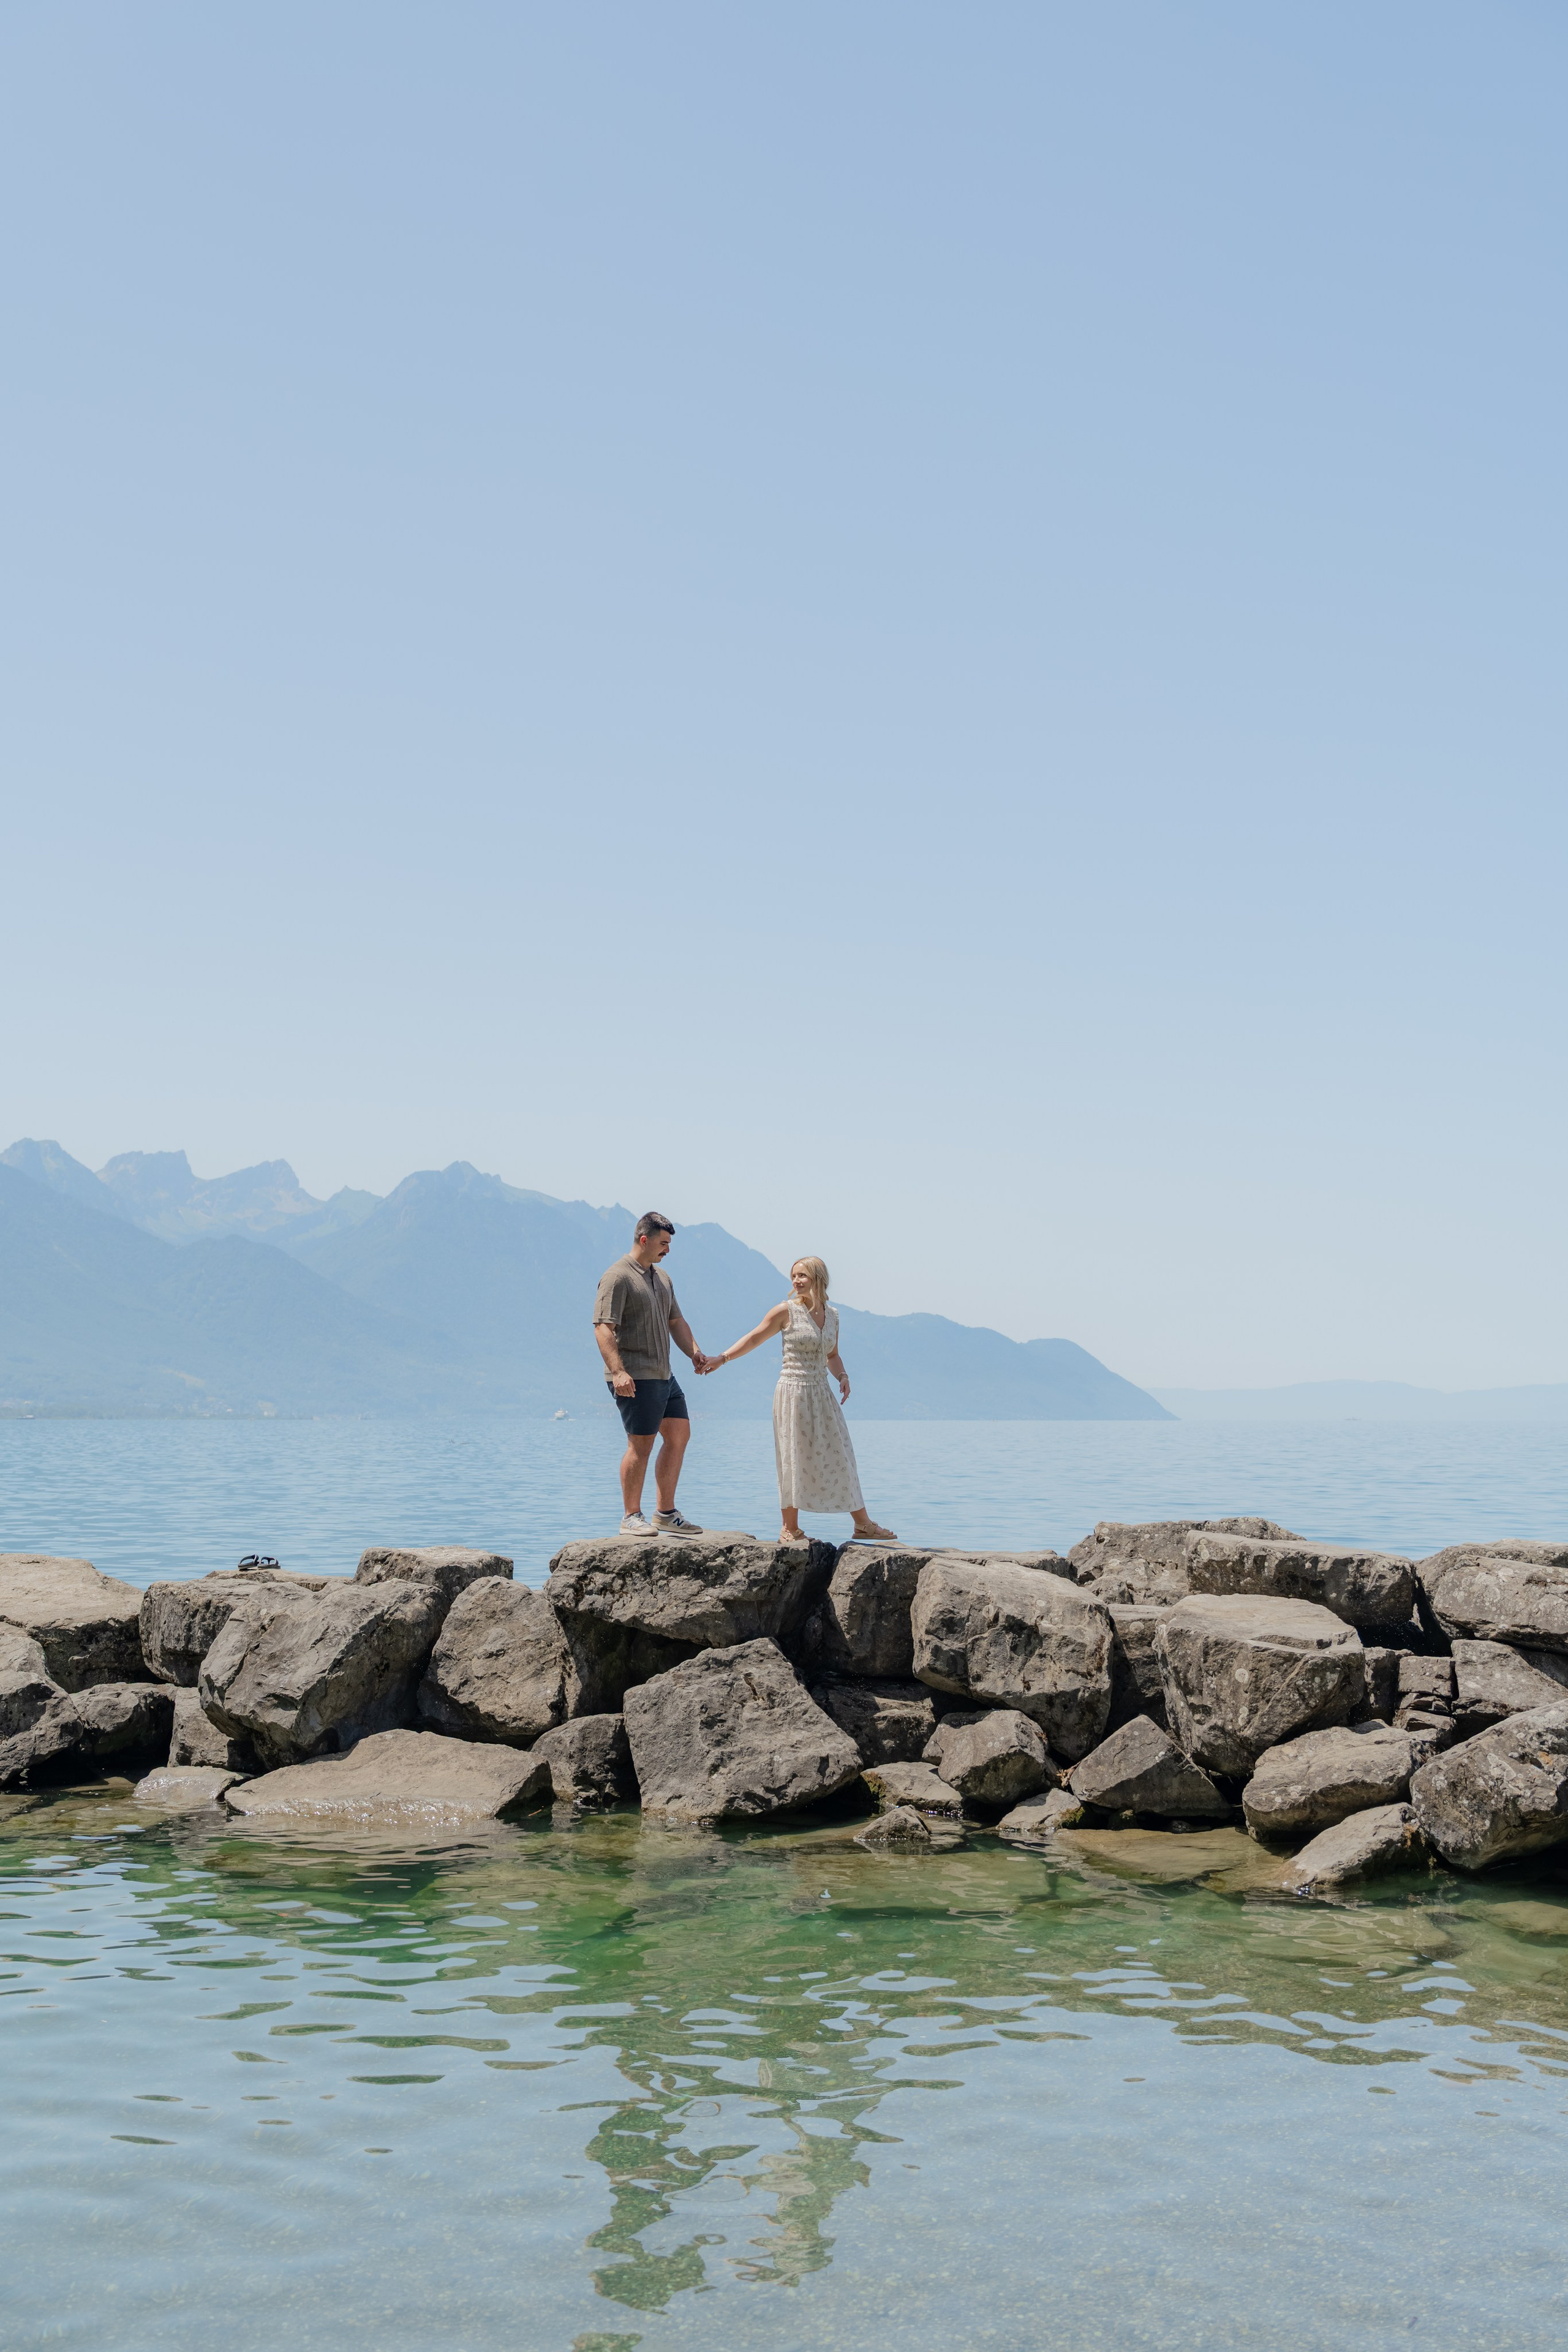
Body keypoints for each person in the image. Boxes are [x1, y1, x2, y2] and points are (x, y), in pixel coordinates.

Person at [699, 1256, 897, 1544]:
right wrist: (723, 1358)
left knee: (842, 1455)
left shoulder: (834, 1315)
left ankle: (863, 1525)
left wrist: (842, 1376)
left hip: (822, 1392)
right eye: (793, 1276)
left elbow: (832, 1355)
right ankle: (789, 1528)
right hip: (793, 1391)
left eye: (802, 1275)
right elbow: (755, 1337)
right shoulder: (786, 1311)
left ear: (818, 1277)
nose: (796, 1281)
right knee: (793, 1457)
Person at [593, 1212, 712, 1537]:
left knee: (679, 1435)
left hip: (665, 1375)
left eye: (669, 1244)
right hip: (635, 1376)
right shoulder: (617, 1276)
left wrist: (695, 1352)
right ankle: (631, 1516)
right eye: (663, 1243)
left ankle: (665, 1513)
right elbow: (603, 1327)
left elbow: (676, 1321)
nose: (668, 1250)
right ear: (644, 1240)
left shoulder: (662, 1279)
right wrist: (618, 1372)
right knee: (640, 1446)